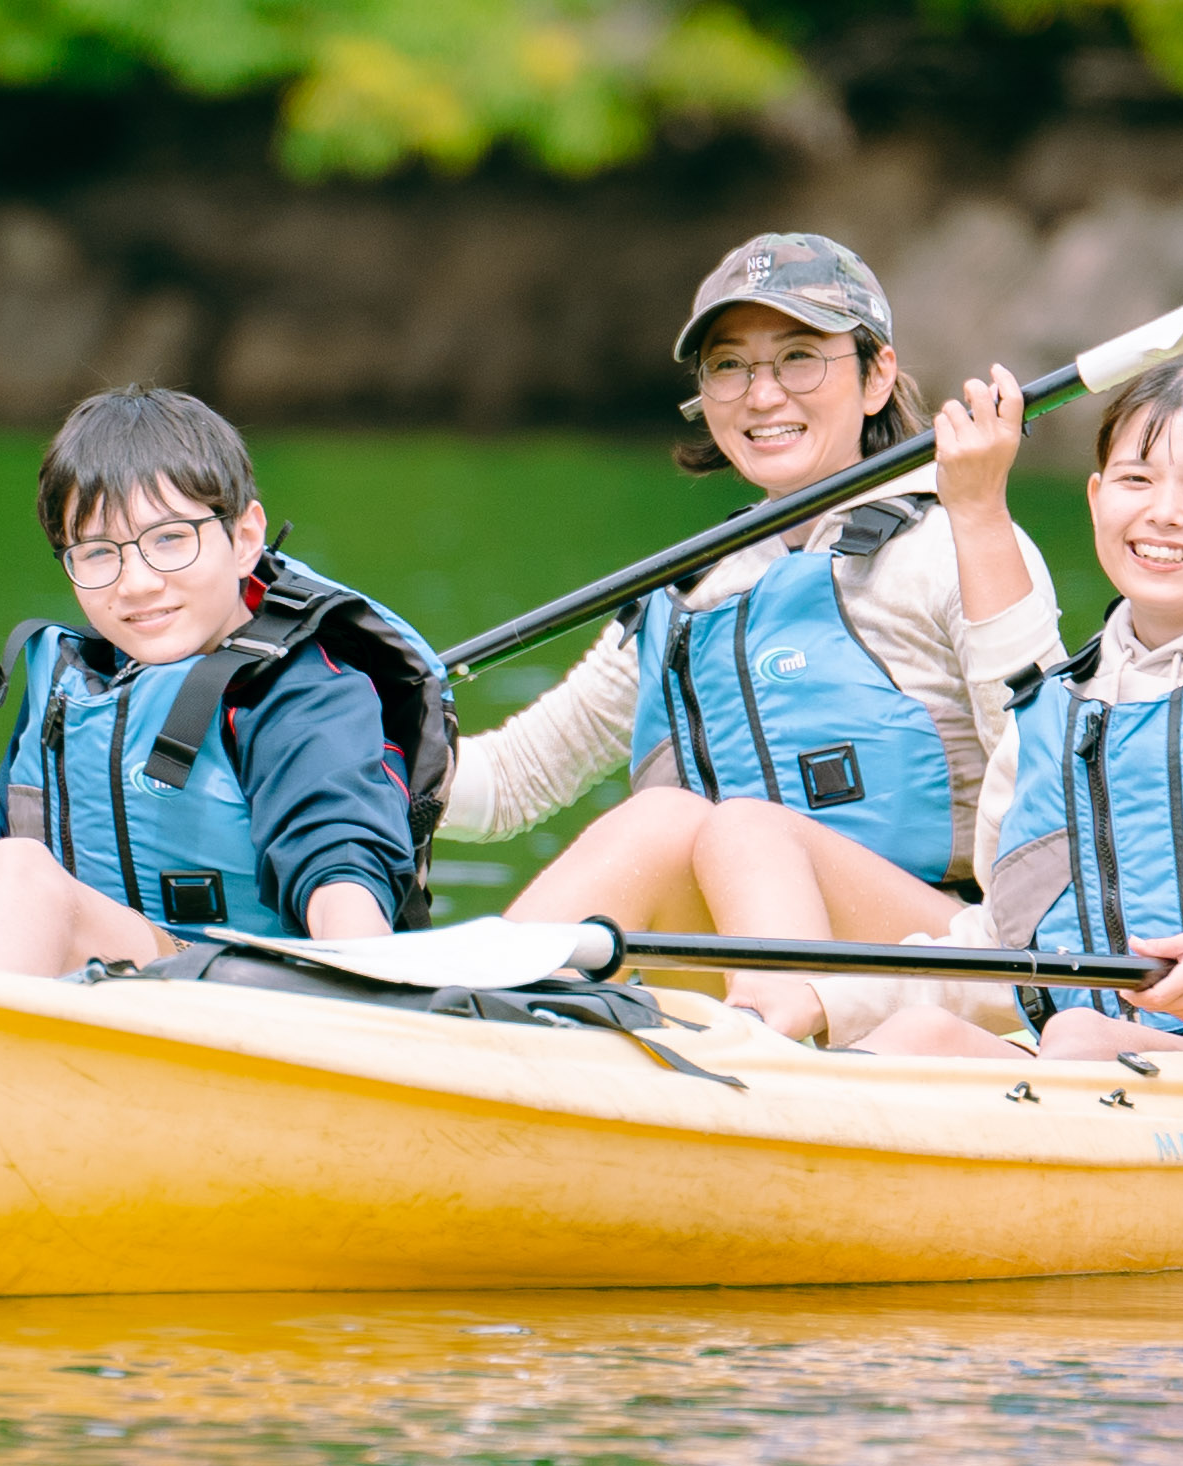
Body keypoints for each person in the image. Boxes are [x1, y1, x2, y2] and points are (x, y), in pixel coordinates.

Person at [735, 355, 1183, 1059]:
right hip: (1101, 1060)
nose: (1164, 514)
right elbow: (1003, 940)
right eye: (1136, 479)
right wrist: (826, 999)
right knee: (918, 1039)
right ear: (1097, 498)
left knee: (1080, 1038)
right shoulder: (1058, 710)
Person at [443, 233, 1063, 942]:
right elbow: (510, 781)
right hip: (751, 968)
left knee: (725, 826)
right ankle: (465, 1008)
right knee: (668, 822)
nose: (762, 396)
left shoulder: (960, 542)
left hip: (942, 960)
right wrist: (346, 743)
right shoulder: (695, 591)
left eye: (799, 358)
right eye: (729, 367)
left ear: (876, 375)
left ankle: (477, 998)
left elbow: (1051, 775)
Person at [0, 386, 445, 976]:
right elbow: (4, 883)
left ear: (244, 538)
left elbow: (343, 886)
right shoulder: (78, 689)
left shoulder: (302, 695)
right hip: (86, 986)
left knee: (21, 872)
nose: (137, 583)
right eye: (98, 552)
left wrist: (370, 1010)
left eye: (170, 540)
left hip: (244, 1010)